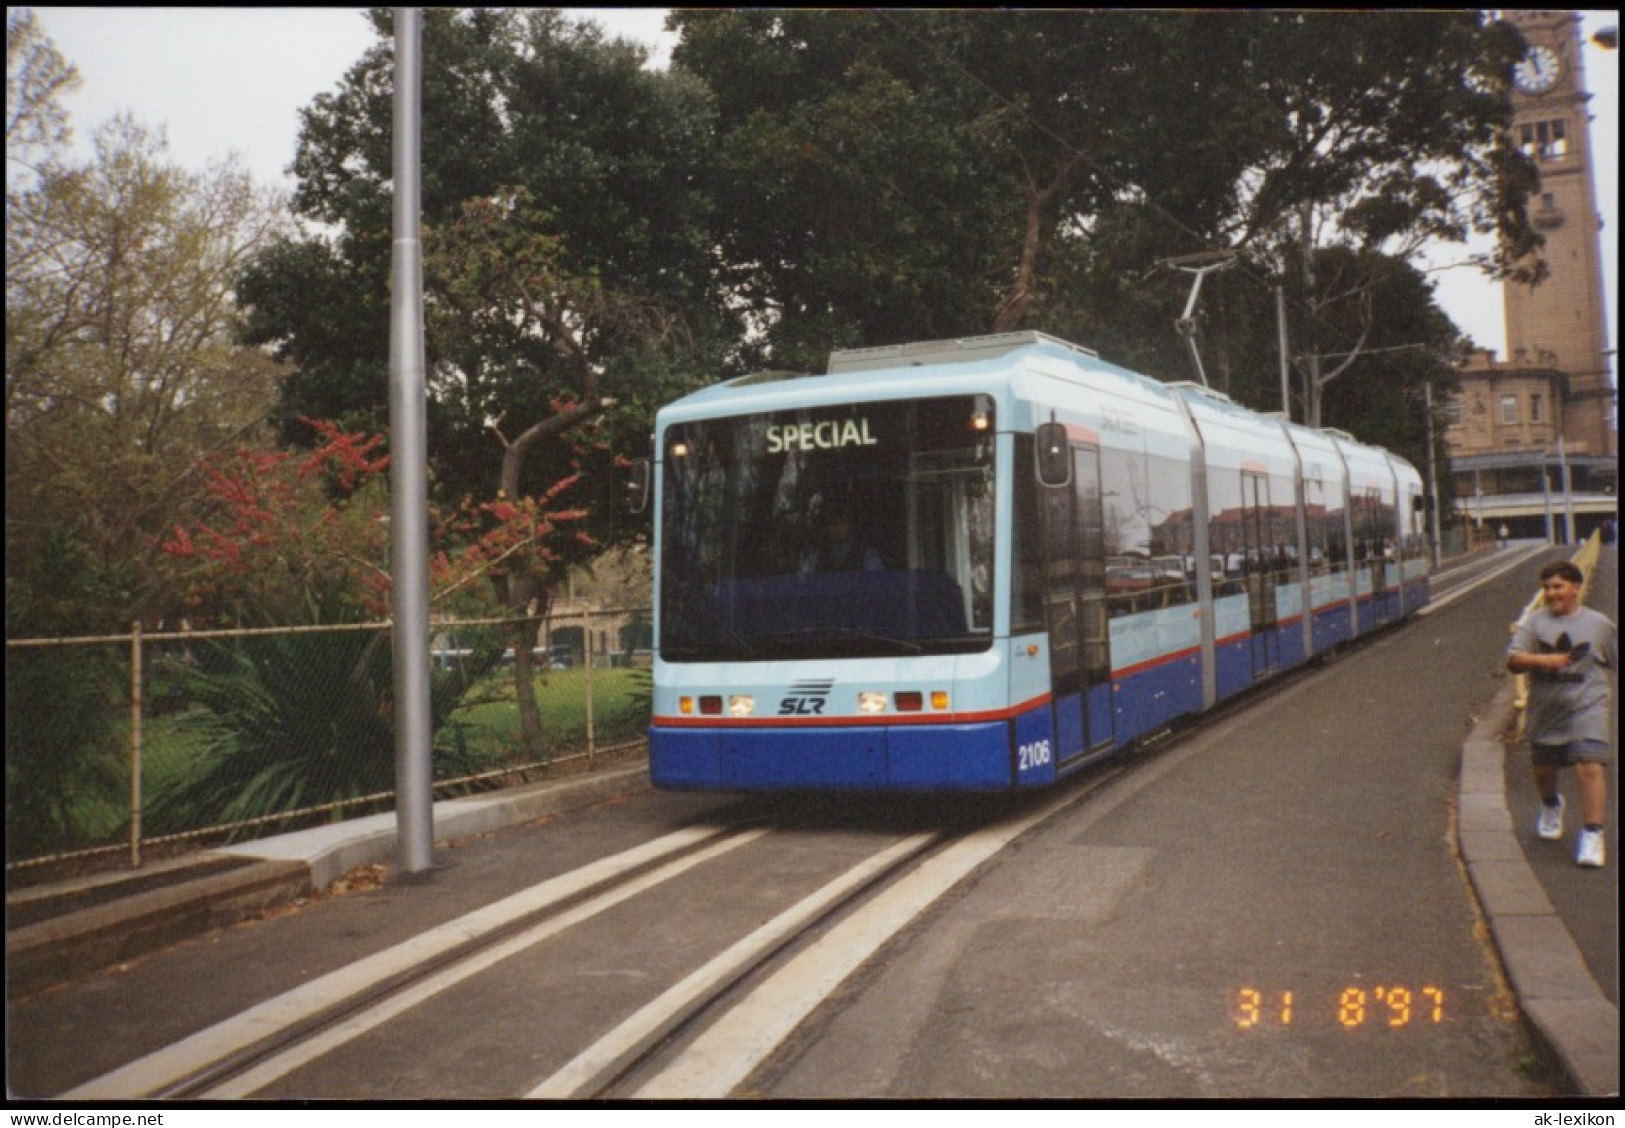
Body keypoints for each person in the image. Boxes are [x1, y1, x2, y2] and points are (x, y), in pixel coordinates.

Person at [1506, 560, 1617, 868]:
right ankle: (1551, 804)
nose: (1551, 593)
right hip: (1546, 709)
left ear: (1576, 588)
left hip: (1587, 704)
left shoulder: (1599, 624)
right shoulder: (1534, 623)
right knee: (1544, 770)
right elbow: (1514, 661)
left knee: (1589, 766)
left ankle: (1593, 834)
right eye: (1547, 588)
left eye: (1558, 586)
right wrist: (1546, 661)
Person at [799, 505, 882, 575]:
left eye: (841, 523)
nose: (837, 529)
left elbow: (877, 585)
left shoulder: (867, 555)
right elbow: (802, 585)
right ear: (827, 528)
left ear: (851, 525)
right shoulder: (815, 557)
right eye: (832, 524)